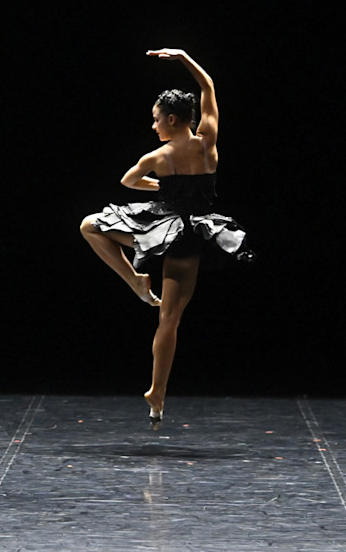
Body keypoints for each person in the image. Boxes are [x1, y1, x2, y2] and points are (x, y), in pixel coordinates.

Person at [80, 47, 253, 430]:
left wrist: (161, 186)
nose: (154, 125)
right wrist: (185, 58)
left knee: (90, 225)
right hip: (193, 235)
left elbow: (128, 181)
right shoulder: (208, 141)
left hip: (163, 229)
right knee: (170, 319)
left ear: (172, 119)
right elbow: (208, 86)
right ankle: (157, 395)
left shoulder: (158, 156)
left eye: (156, 119)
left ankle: (135, 281)